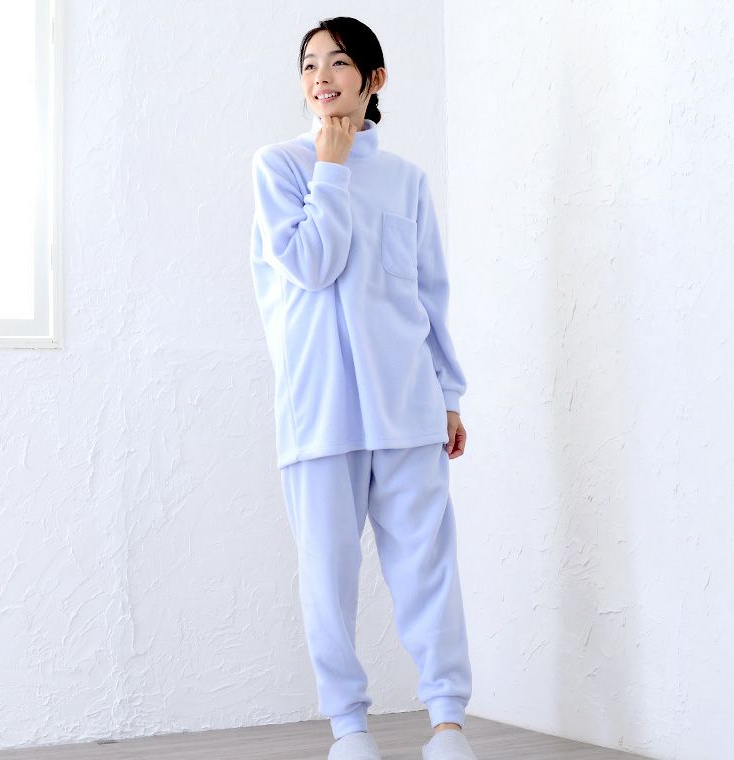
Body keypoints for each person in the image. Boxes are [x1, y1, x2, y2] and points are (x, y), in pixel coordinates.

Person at [249, 16, 477, 760]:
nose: (321, 76)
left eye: (339, 62)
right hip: (319, 410)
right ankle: (349, 728)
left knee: (427, 568)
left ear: (374, 79)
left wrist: (448, 393)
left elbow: (429, 293)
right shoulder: (280, 167)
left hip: (407, 404)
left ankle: (448, 723)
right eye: (309, 63)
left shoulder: (408, 180)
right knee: (328, 576)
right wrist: (331, 167)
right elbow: (312, 265)